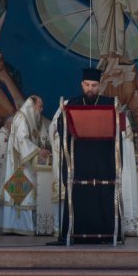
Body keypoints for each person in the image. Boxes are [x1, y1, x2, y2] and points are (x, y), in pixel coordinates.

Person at [53, 67, 119, 243]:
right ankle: (74, 233)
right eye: (87, 85)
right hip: (78, 160)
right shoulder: (71, 104)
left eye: (94, 85)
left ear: (100, 86)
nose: (90, 89)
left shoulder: (110, 103)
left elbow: (118, 129)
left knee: (104, 195)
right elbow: (62, 128)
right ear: (82, 85)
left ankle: (107, 234)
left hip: (102, 161)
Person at [0, 95, 49, 235]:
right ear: (32, 104)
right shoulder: (22, 117)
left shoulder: (30, 119)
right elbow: (21, 140)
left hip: (27, 162)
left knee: (27, 193)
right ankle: (20, 226)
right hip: (20, 164)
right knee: (24, 194)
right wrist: (38, 150)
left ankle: (23, 225)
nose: (41, 110)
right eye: (40, 106)